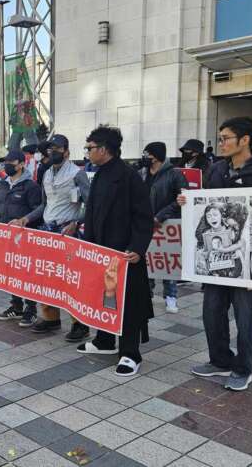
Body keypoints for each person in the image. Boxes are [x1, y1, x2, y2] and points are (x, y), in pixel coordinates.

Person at [179, 116, 252, 391]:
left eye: (226, 138)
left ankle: (243, 369)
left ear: (245, 140)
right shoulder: (217, 169)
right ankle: (220, 360)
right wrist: (188, 202)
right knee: (212, 311)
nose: (221, 143)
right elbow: (207, 205)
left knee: (246, 317)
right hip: (217, 260)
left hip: (248, 260)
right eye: (221, 138)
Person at [76, 125, 154, 377]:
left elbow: (144, 217)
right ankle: (104, 340)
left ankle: (130, 353)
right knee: (102, 297)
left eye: (89, 148)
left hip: (125, 254)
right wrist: (87, 246)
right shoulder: (99, 174)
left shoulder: (129, 177)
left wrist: (137, 248)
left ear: (104, 149)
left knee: (128, 304)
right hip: (100, 252)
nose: (87, 152)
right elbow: (92, 212)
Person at [10, 134, 90, 341]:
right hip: (47, 232)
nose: (51, 152)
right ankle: (50, 317)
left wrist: (76, 223)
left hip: (67, 233)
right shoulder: (46, 173)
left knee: (69, 280)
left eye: (56, 148)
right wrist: (26, 219)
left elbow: (91, 205)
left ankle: (79, 324)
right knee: (47, 276)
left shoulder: (77, 174)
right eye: (49, 148)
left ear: (66, 151)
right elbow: (44, 205)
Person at [0, 151, 42, 312]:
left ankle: (30, 309)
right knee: (11, 273)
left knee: (26, 274)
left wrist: (23, 220)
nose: (7, 165)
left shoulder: (30, 186)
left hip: (24, 238)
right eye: (5, 162)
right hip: (6, 237)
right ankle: (16, 306)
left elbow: (38, 211)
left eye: (11, 162)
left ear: (21, 164)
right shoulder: (3, 185)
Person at [140, 141, 187, 313]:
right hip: (145, 224)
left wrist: (160, 216)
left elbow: (182, 199)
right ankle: (146, 294)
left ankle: (171, 297)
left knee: (168, 263)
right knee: (147, 261)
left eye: (148, 154)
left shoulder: (175, 174)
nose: (145, 157)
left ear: (157, 156)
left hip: (167, 224)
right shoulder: (141, 173)